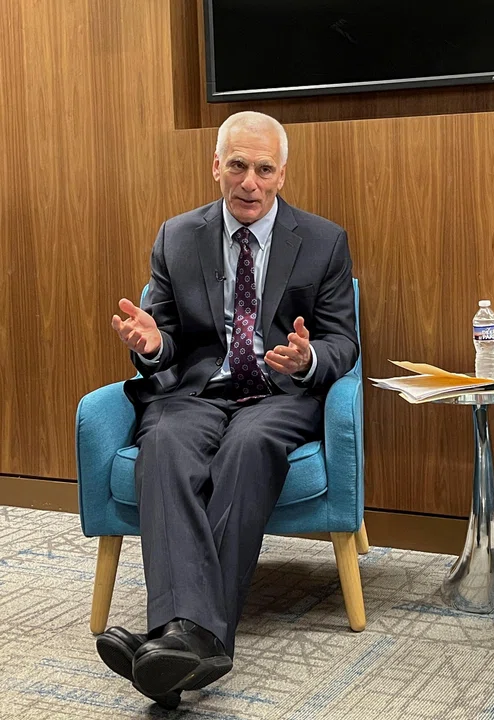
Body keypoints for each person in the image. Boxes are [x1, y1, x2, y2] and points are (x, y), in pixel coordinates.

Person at [97, 111, 359, 708]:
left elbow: (344, 341)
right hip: (197, 389)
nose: (249, 183)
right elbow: (162, 335)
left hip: (279, 392)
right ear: (216, 165)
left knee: (249, 445)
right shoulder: (176, 235)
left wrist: (308, 356)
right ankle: (195, 642)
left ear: (282, 175)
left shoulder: (323, 241)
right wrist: (152, 344)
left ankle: (174, 633)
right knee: (161, 442)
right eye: (237, 166)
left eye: (264, 170)